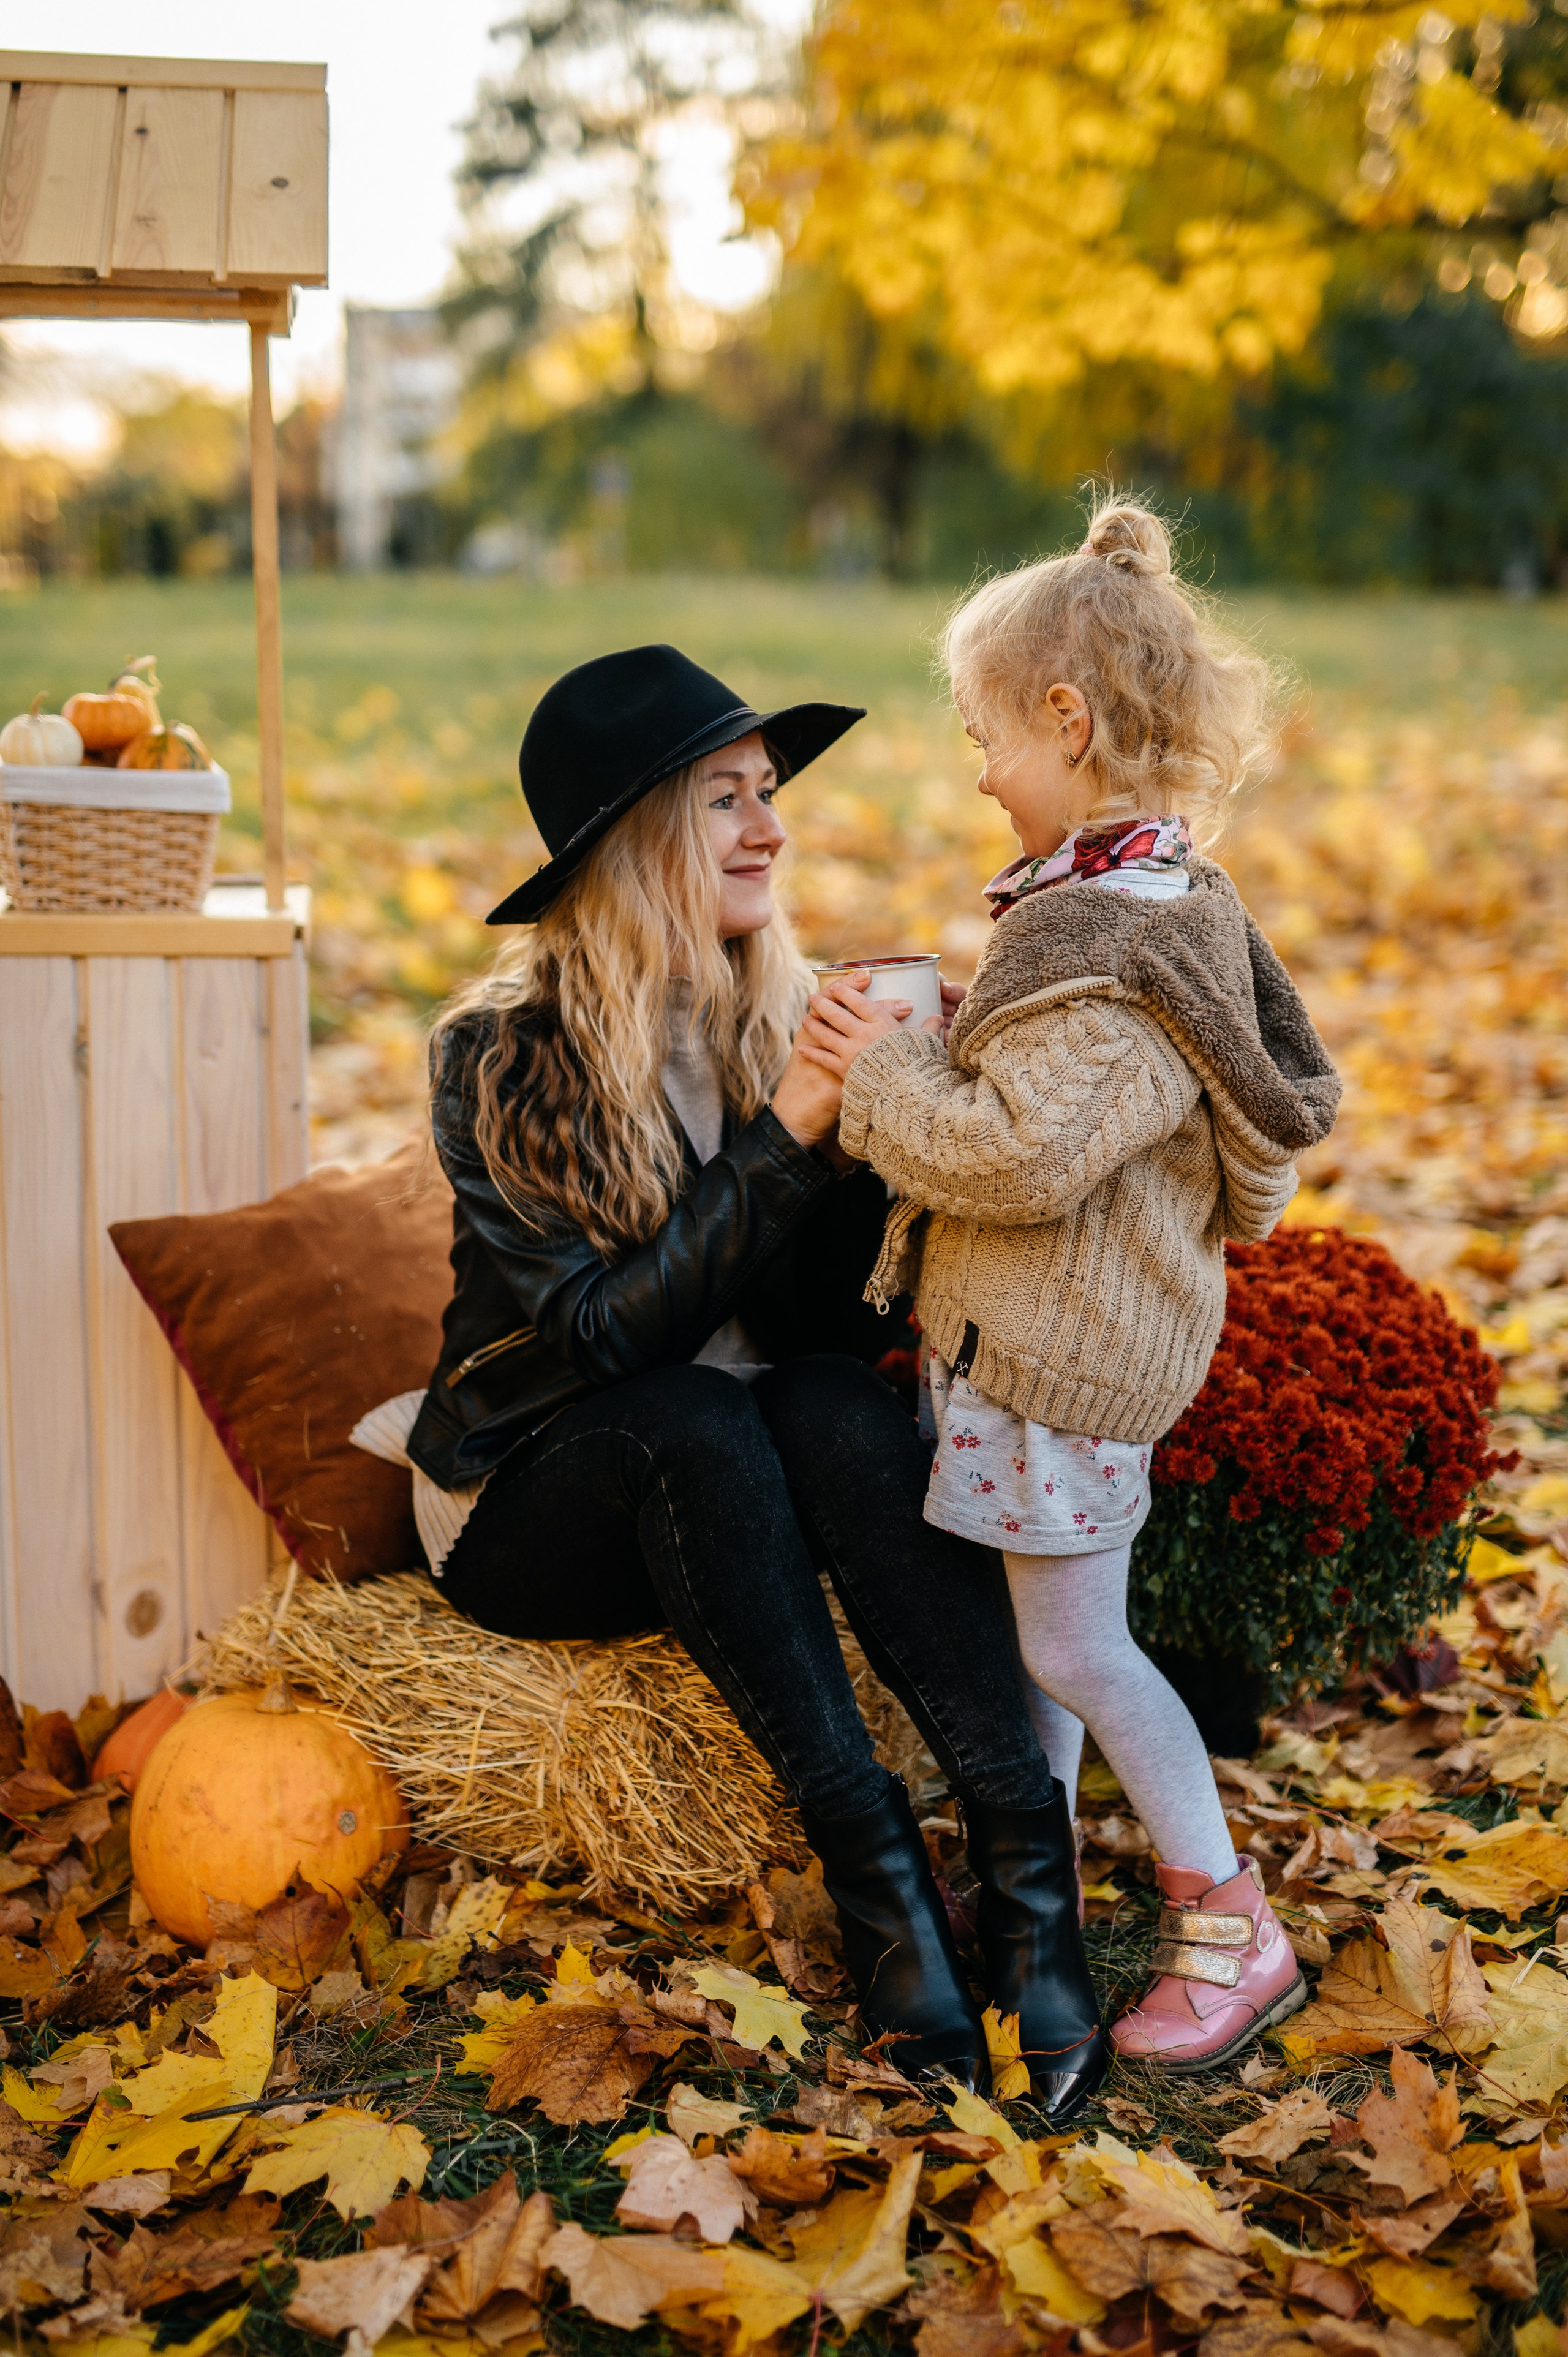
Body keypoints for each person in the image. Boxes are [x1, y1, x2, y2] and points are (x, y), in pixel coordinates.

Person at [370, 641, 1103, 2112]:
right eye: (724, 798)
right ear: (633, 840)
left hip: (745, 1471)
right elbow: (600, 1346)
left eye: (768, 791)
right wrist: (785, 1133)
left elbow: (823, 1338)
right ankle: (880, 1888)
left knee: (826, 1401)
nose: (769, 826)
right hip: (539, 1497)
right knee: (697, 1418)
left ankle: (1029, 1866)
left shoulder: (779, 1013)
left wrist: (885, 1122)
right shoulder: (500, 1059)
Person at [797, 501, 1342, 2074]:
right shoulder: (1137, 907)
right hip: (1036, 1355)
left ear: (1064, 719)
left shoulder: (1118, 951)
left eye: (984, 737)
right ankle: (1028, 1877)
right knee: (1033, 1637)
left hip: (1060, 1372)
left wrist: (884, 1072)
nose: (977, 772)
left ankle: (1228, 1921)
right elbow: (1119, 1114)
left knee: (1074, 1650)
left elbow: (1026, 1153)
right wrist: (963, 1035)